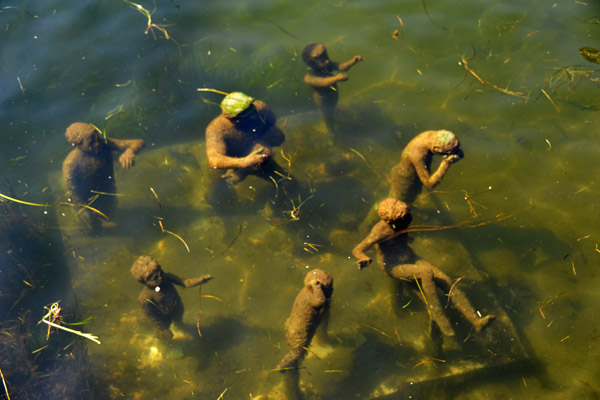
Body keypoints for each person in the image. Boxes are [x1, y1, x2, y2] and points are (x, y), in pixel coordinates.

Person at [352, 198, 494, 337]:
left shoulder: (403, 219)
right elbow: (358, 249)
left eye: (406, 215)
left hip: (409, 256)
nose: (407, 219)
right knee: (425, 272)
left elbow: (401, 234)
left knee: (445, 280)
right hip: (393, 265)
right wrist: (365, 259)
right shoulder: (380, 231)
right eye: (403, 218)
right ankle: (438, 315)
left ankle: (476, 321)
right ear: (391, 220)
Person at [62, 122, 144, 231]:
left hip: (109, 192)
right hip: (88, 201)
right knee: (93, 230)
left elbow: (139, 142)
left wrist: (130, 151)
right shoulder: (71, 163)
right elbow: (72, 193)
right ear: (78, 144)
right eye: (91, 141)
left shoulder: (105, 144)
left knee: (112, 213)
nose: (97, 143)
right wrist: (84, 213)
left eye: (96, 136)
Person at [130, 255, 213, 341]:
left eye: (161, 272)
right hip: (164, 317)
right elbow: (151, 315)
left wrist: (201, 280)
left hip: (177, 308)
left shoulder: (167, 277)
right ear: (144, 281)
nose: (161, 277)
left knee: (179, 321)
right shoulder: (145, 297)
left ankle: (181, 327)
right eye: (155, 278)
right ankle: (163, 342)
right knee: (165, 336)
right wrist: (162, 327)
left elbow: (185, 282)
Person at [277, 269, 334, 370]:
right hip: (300, 330)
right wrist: (316, 286)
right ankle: (282, 366)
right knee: (298, 352)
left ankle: (321, 341)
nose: (332, 290)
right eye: (330, 288)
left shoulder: (304, 291)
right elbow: (320, 301)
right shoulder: (314, 295)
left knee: (293, 344)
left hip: (292, 323)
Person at [389, 129, 463, 205]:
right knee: (398, 203)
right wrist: (446, 163)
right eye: (449, 152)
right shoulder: (418, 155)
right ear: (436, 149)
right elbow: (429, 184)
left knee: (412, 198)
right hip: (404, 182)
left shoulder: (431, 136)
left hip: (410, 172)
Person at [301, 43, 363, 133]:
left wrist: (353, 61)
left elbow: (341, 67)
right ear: (311, 63)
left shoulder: (327, 65)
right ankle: (331, 130)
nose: (326, 60)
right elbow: (324, 82)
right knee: (327, 115)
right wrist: (336, 78)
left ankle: (333, 116)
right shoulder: (309, 78)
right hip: (323, 100)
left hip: (333, 95)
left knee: (333, 108)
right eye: (321, 57)